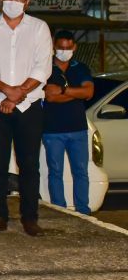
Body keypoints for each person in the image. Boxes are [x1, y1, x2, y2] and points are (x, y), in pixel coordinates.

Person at [0, 0, 53, 236]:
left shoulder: (39, 29)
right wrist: (8, 91)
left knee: (29, 164)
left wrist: (19, 94)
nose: (13, 2)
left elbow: (43, 67)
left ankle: (30, 218)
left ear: (27, 2)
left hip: (29, 105)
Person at [42, 30, 94, 215]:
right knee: (55, 172)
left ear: (74, 47)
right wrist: (75, 93)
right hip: (52, 130)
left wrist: (63, 91)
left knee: (81, 172)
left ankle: (83, 211)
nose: (64, 51)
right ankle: (60, 210)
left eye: (68, 47)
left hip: (78, 129)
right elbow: (49, 97)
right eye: (61, 47)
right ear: (54, 47)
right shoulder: (45, 68)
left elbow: (88, 93)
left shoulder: (81, 68)